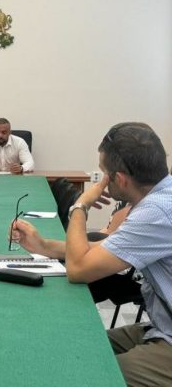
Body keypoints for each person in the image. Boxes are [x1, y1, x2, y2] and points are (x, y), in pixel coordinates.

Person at [12, 122, 172, 386]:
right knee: (79, 349)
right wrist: (44, 246)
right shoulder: (161, 197)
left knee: (90, 374)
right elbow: (105, 249)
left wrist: (80, 206)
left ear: (120, 179)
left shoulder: (155, 212)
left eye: (105, 173)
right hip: (163, 325)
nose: (103, 180)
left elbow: (78, 270)